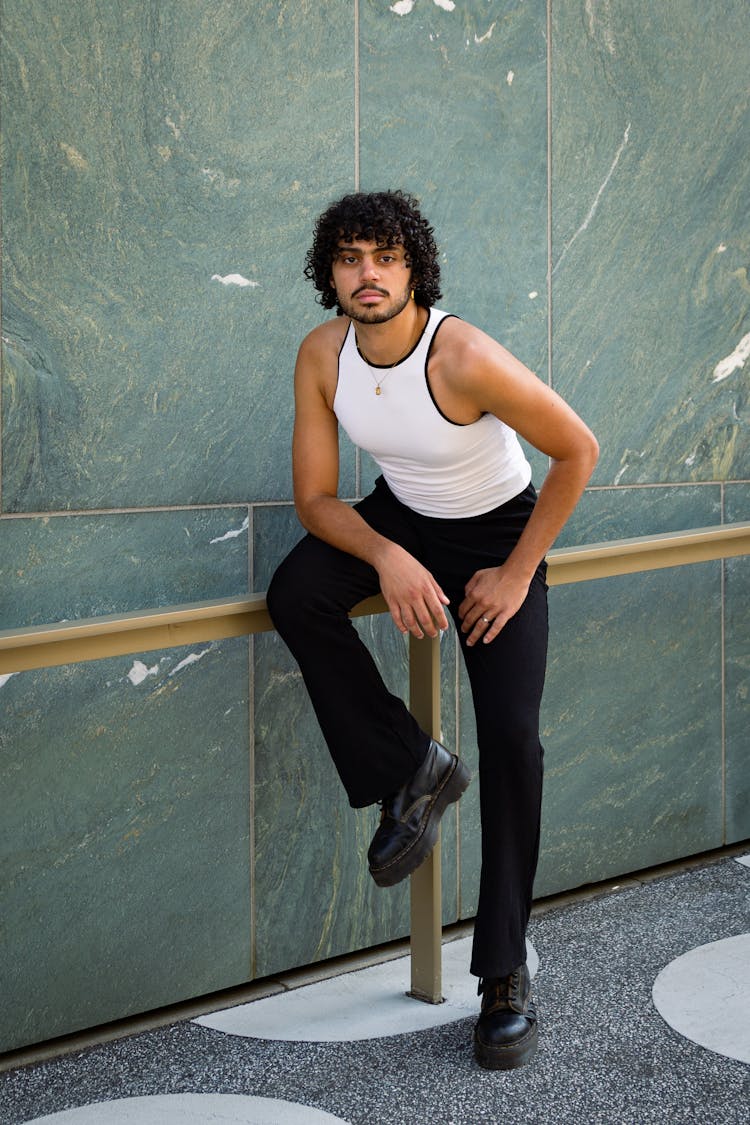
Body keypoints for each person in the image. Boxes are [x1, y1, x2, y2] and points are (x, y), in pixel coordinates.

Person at [267, 190, 598, 1070]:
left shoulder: (462, 354)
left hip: (497, 534)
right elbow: (314, 499)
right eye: (348, 258)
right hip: (404, 519)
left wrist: (518, 570)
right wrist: (386, 555)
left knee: (515, 742)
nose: (366, 273)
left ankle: (502, 977)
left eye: (384, 255)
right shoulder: (321, 355)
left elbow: (578, 450)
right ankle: (410, 766)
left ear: (414, 266)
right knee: (297, 590)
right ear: (328, 273)